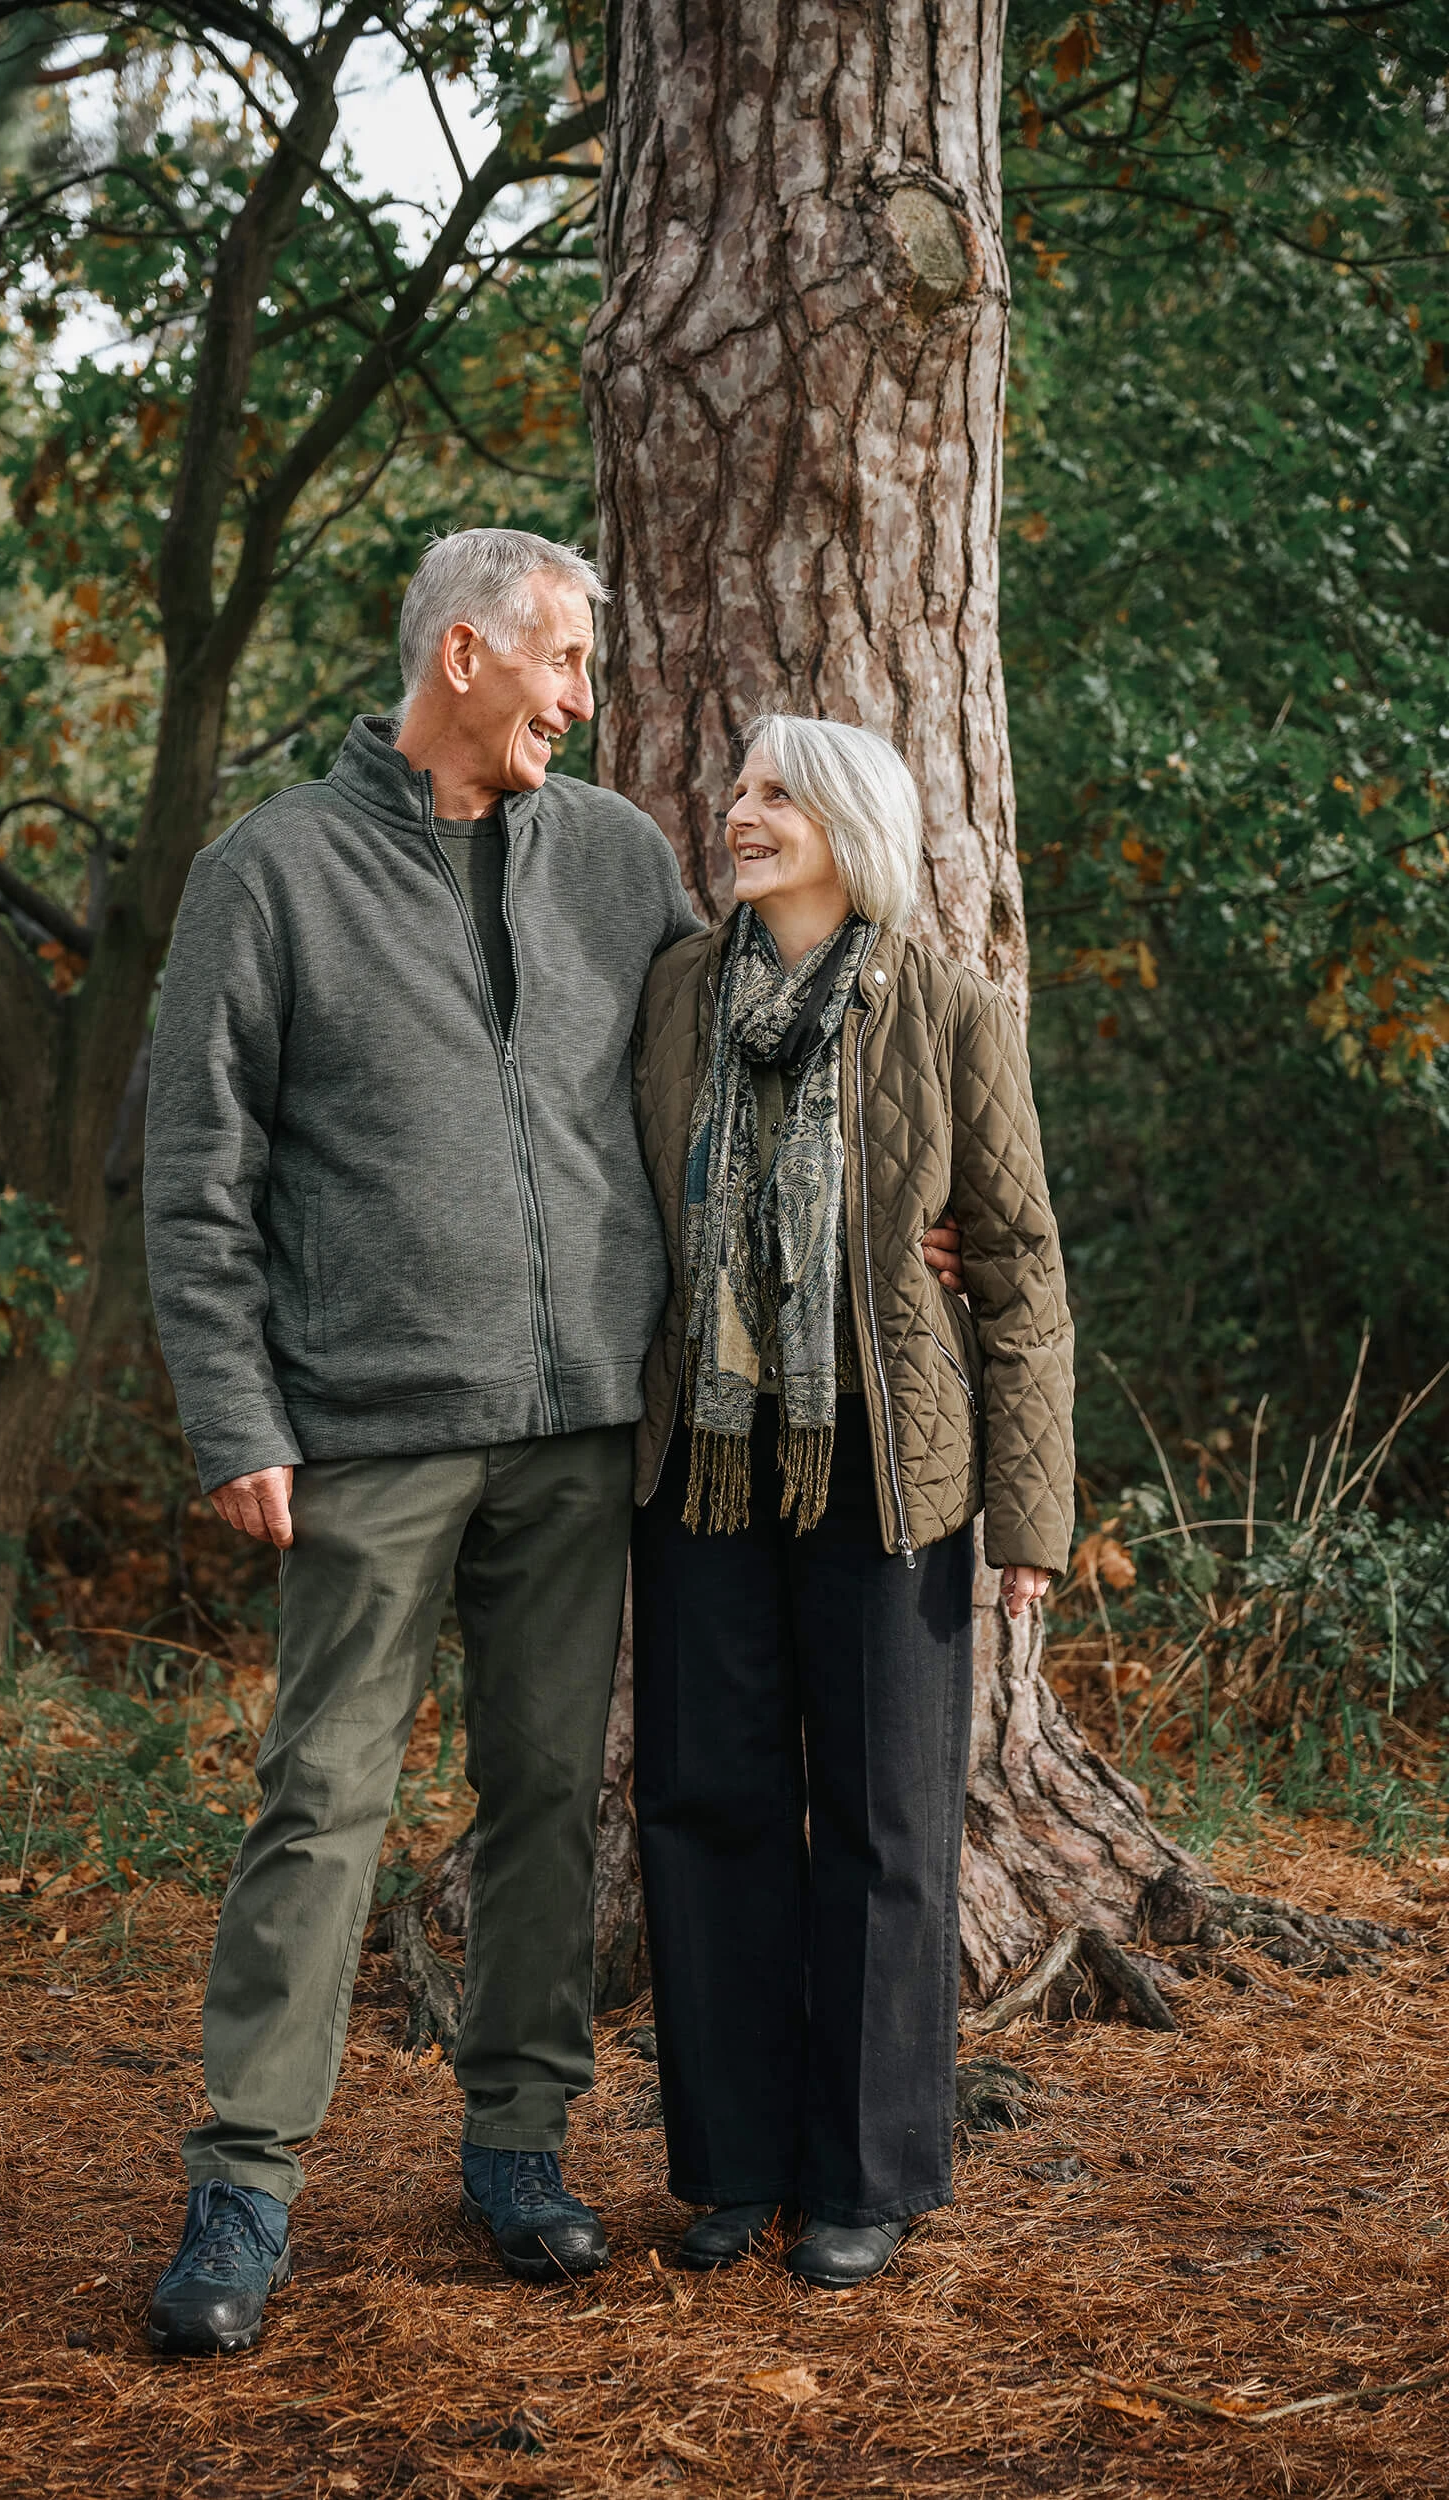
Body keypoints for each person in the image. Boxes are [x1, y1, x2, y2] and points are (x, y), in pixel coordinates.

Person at [139, 527, 970, 2351]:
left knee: (540, 1802)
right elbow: (198, 1180)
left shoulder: (610, 862)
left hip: (598, 1425)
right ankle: (242, 2187)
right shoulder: (266, 874)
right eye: (569, 666)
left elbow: (743, 1056)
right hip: (367, 1427)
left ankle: (516, 2144)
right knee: (323, 1797)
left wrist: (908, 1209)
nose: (589, 705)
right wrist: (234, 1411)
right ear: (464, 657)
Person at [629, 713, 1075, 2290]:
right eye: (739, 789)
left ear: (845, 820)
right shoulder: (678, 989)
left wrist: (1031, 1522)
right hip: (705, 1462)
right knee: (704, 1804)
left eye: (772, 793)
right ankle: (733, 2167)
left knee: (888, 1824)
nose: (737, 813)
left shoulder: (951, 1010)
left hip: (896, 1473)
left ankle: (869, 2177)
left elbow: (1017, 1266)